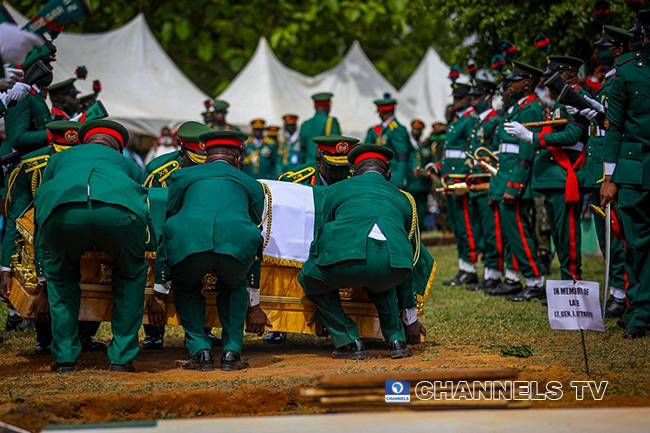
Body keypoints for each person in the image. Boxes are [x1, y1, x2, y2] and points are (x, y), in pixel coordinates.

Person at [31, 120, 149, 373]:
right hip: (118, 214)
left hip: (63, 213)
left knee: (61, 279)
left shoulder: (60, 158)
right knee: (131, 274)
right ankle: (121, 359)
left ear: (84, 142)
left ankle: (64, 359)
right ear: (118, 148)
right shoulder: (127, 163)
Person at [155, 130, 266, 370]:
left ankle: (200, 352)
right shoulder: (252, 184)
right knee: (235, 287)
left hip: (189, 243)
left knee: (185, 286)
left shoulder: (182, 176)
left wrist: (159, 288)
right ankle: (231, 353)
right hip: (235, 245)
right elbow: (255, 223)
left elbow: (170, 215)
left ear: (206, 155)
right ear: (238, 158)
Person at [298, 142, 421, 360]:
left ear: (353, 172)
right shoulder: (404, 198)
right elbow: (410, 258)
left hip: (348, 260)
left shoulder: (334, 190)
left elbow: (324, 232)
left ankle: (348, 340)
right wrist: (411, 318)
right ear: (388, 172)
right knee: (384, 283)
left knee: (310, 278)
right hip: (395, 267)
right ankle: (396, 340)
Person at [1, 120, 106, 355]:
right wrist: (5, 267)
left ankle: (59, 337)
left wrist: (5, 269)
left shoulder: (31, 164)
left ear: (49, 137)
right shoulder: (91, 160)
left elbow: (13, 218)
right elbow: (17, 218)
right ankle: (68, 336)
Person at [505, 56, 589, 300]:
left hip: (566, 176)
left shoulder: (576, 98)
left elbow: (574, 133)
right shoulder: (560, 102)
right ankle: (567, 287)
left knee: (568, 238)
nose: (548, 82)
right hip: (554, 179)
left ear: (569, 76)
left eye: (554, 76)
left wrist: (533, 138)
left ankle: (573, 289)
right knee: (559, 239)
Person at [571, 26, 632, 317]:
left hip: (614, 168)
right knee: (604, 232)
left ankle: (622, 292)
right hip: (597, 167)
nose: (600, 52)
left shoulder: (623, 78)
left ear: (619, 49)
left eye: (606, 46)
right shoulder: (608, 82)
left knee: (618, 234)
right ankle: (615, 291)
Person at [141, 120, 213, 350]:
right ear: (181, 150)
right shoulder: (159, 170)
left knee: (207, 281)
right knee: (154, 275)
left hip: (201, 233)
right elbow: (148, 206)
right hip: (163, 233)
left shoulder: (215, 164)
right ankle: (153, 332)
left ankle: (205, 330)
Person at [600, 10, 650, 339]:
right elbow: (614, 130)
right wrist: (609, 178)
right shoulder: (627, 72)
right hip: (635, 172)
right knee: (637, 246)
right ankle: (640, 313)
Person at [485, 62, 545, 299]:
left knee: (520, 233)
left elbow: (526, 151)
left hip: (514, 180)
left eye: (514, 81)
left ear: (527, 83)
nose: (509, 85)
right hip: (505, 177)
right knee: (512, 233)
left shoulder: (530, 109)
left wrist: (515, 185)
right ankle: (514, 277)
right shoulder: (516, 108)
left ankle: (535, 280)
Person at [437, 83, 480, 287]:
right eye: (455, 99)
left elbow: (470, 152)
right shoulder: (459, 119)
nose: (456, 102)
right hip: (450, 176)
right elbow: (451, 153)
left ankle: (470, 268)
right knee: (456, 225)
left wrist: (462, 178)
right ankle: (463, 267)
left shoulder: (470, 119)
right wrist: (437, 166)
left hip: (460, 177)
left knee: (465, 226)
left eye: (460, 99)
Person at [465, 79, 504, 292]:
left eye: (477, 97)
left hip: (488, 181)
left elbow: (496, 152)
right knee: (479, 230)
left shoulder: (493, 121)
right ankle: (488, 272)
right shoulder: (478, 122)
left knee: (492, 231)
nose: (472, 100)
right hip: (476, 181)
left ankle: (494, 273)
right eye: (471, 97)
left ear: (487, 98)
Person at [364, 94, 413, 190]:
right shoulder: (376, 130)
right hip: (380, 175)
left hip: (393, 177)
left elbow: (402, 157)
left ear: (381, 112)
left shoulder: (397, 129)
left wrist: (399, 181)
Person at [278, 134, 353, 186]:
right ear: (319, 161)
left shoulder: (355, 178)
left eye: (345, 167)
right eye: (334, 167)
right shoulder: (296, 183)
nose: (340, 173)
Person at [299, 93, 341, 165]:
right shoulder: (331, 122)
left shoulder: (305, 124)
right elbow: (338, 145)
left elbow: (302, 149)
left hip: (308, 165)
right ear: (328, 106)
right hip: (325, 165)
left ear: (315, 106)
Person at [408, 119, 434, 230]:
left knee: (422, 208)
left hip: (422, 184)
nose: (416, 132)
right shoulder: (407, 146)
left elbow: (431, 162)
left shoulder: (426, 148)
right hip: (410, 183)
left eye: (419, 130)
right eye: (415, 130)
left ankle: (421, 228)